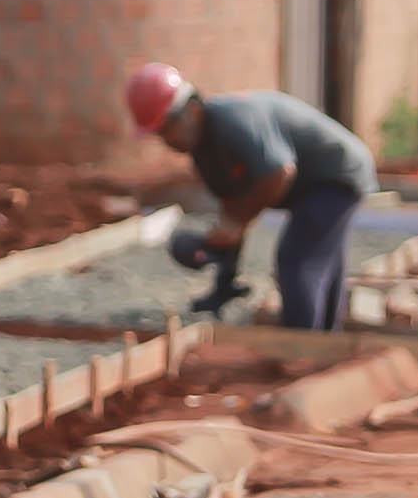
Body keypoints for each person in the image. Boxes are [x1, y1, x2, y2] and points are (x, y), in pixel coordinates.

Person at [126, 65, 376, 331]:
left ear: (191, 109)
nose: (167, 139)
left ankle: (302, 350)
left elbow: (279, 173)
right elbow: (233, 206)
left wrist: (235, 223)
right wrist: (224, 277)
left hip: (336, 176)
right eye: (160, 133)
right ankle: (324, 345)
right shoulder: (204, 154)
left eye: (168, 127)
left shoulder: (231, 122)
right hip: (319, 183)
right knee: (321, 261)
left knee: (298, 261)